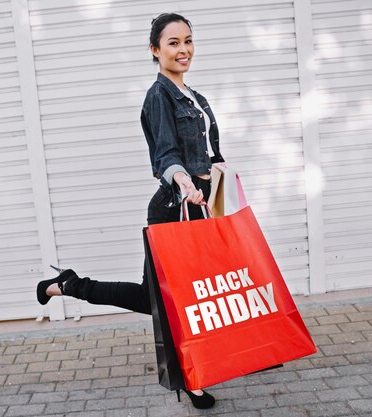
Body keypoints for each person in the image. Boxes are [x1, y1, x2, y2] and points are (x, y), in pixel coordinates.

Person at [36, 13, 224, 409]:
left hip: (198, 207)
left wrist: (219, 172)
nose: (183, 49)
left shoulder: (194, 96)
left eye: (188, 40)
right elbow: (166, 154)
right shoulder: (159, 95)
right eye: (172, 43)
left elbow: (208, 152)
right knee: (167, 301)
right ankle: (192, 379)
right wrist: (184, 180)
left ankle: (68, 285)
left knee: (159, 297)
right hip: (174, 208)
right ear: (155, 50)